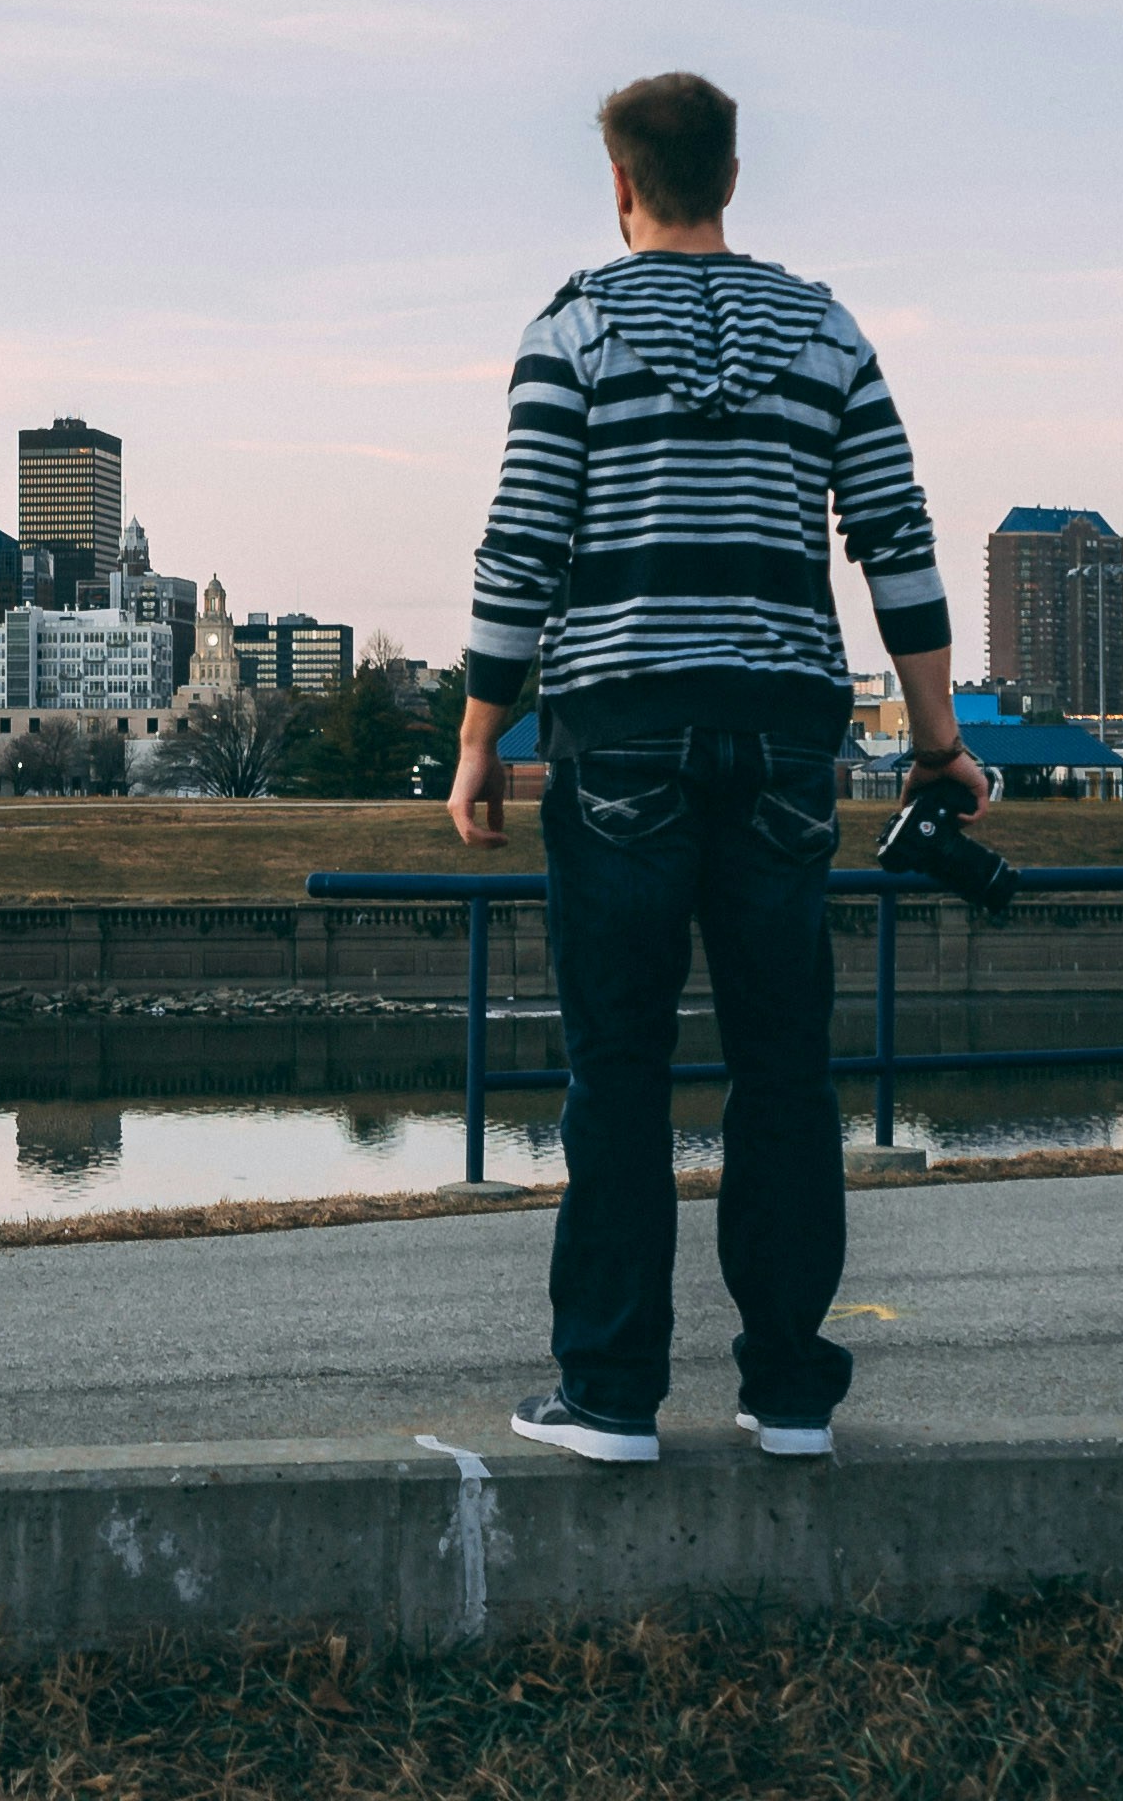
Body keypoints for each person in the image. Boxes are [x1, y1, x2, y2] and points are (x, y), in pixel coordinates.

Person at [444, 71, 980, 1465]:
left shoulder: (574, 329)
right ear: (734, 178)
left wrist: (479, 733)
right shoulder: (826, 328)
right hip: (789, 729)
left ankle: (614, 1390)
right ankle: (789, 1386)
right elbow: (898, 538)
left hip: (622, 724)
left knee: (617, 1067)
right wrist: (938, 740)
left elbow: (524, 543)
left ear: (622, 185)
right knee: (783, 1066)